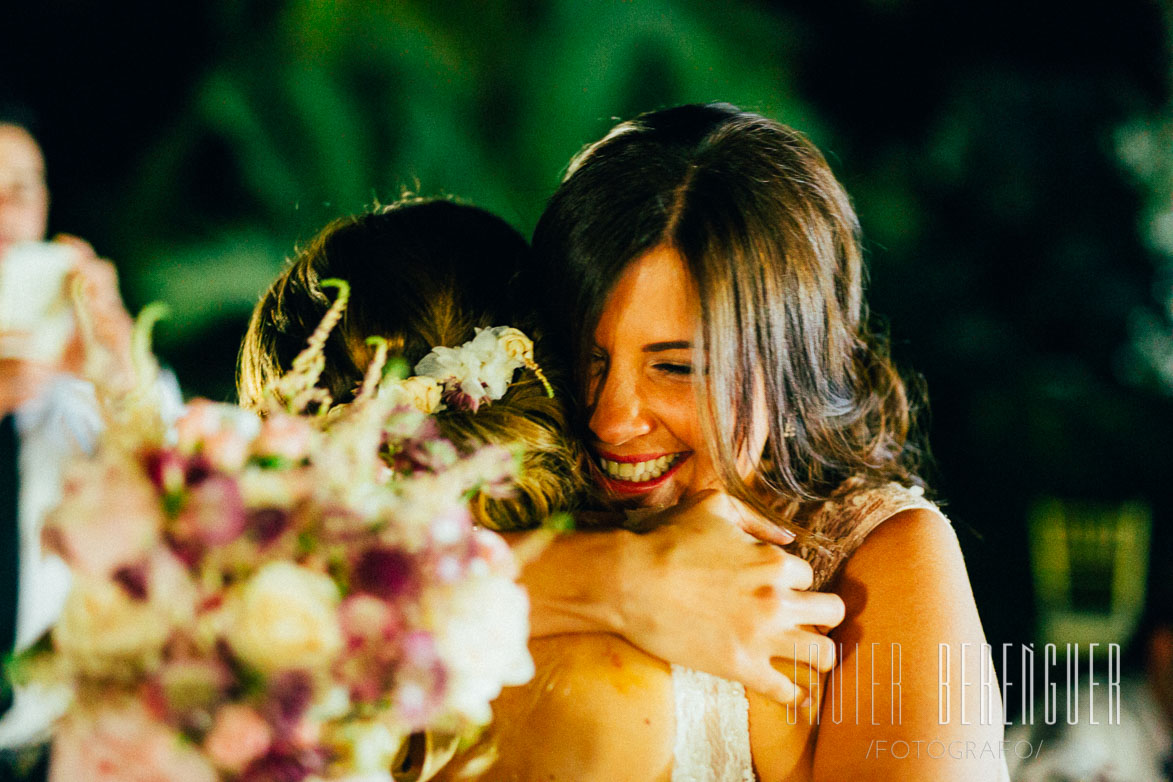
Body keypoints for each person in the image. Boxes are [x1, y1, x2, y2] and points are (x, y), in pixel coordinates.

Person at [446, 102, 1005, 781]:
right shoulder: (490, 497)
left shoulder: (879, 561)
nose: (610, 420)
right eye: (580, 356)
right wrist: (617, 580)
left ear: (792, 363)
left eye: (676, 367)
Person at [238, 197, 844, 778]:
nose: (615, 418)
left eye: (675, 366)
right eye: (596, 359)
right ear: (538, 363)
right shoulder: (755, 637)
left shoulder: (229, 679)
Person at [0, 112, 173, 781]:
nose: (8, 208)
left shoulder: (78, 392)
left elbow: (187, 493)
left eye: (24, 186)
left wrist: (116, 361)